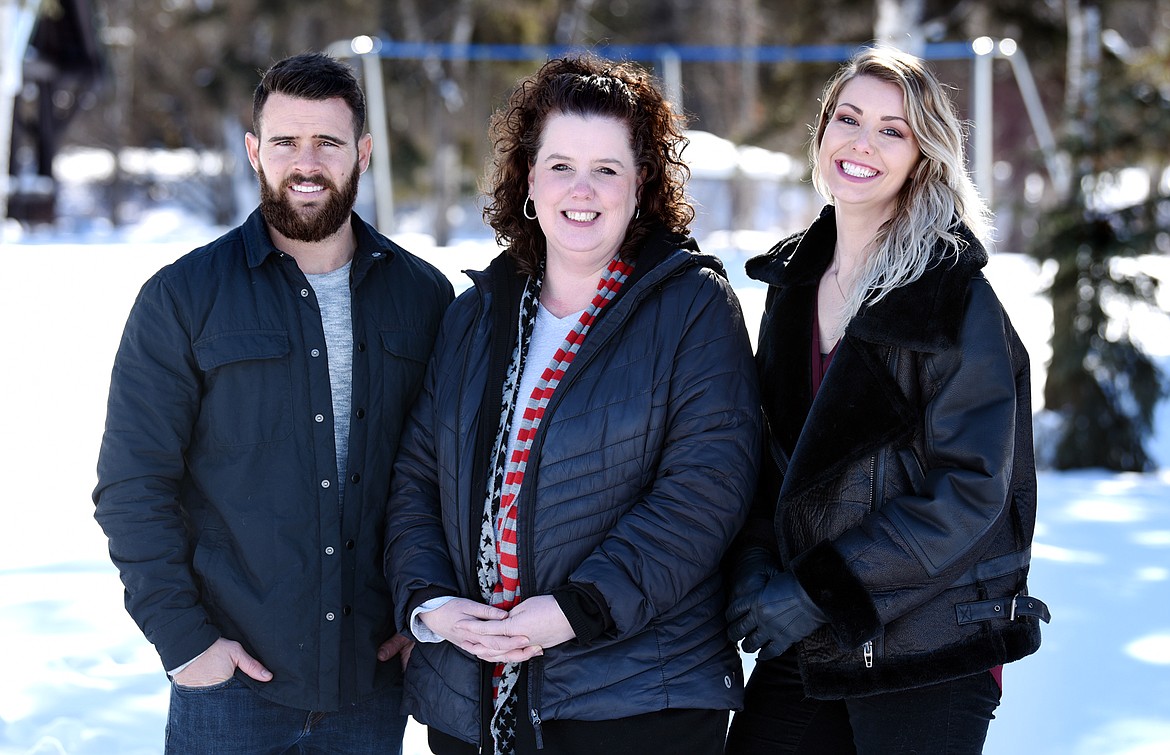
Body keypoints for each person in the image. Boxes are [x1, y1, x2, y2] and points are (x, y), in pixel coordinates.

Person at [384, 55, 761, 755]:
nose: (580, 190)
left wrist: (575, 610)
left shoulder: (691, 308)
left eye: (607, 169)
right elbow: (415, 480)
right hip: (473, 698)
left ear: (640, 182)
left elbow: (709, 487)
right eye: (560, 165)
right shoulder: (476, 316)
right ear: (528, 177)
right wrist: (432, 603)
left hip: (638, 703)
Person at [93, 51, 454, 754]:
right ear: (255, 151)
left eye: (328, 141)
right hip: (229, 691)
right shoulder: (184, 299)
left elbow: (445, 483)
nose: (306, 161)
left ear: (364, 152)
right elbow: (133, 488)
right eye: (286, 141)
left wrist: (423, 619)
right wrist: (187, 644)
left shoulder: (425, 299)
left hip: (371, 685)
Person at [724, 46, 1050, 754]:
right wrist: (754, 561)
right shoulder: (791, 288)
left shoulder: (953, 296)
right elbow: (774, 456)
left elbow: (968, 490)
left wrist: (818, 590)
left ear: (923, 156)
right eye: (848, 118)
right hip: (813, 634)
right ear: (821, 133)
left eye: (892, 130)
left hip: (928, 640)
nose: (862, 143)